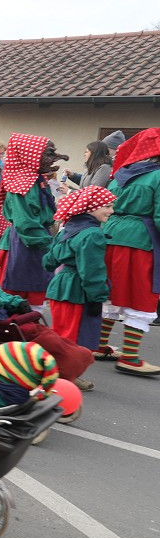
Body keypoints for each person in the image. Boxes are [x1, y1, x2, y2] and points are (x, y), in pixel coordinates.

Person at [97, 127, 160, 375]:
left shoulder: (122, 173)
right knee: (140, 296)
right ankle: (130, 357)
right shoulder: (158, 177)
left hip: (109, 236)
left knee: (111, 293)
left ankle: (99, 345)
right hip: (140, 241)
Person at [44, 185, 116, 391]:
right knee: (72, 339)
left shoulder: (69, 227)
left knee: (60, 335)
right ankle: (61, 377)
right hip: (77, 291)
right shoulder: (92, 233)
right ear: (91, 207)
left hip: (60, 287)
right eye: (107, 206)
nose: (111, 211)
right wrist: (97, 297)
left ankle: (61, 373)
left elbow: (49, 261)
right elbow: (92, 271)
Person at [0, 133, 65, 311]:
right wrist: (53, 248)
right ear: (31, 157)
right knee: (19, 301)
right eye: (47, 155)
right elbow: (26, 224)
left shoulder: (37, 180)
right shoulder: (22, 185)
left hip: (35, 242)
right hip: (25, 245)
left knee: (32, 301)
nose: (51, 160)